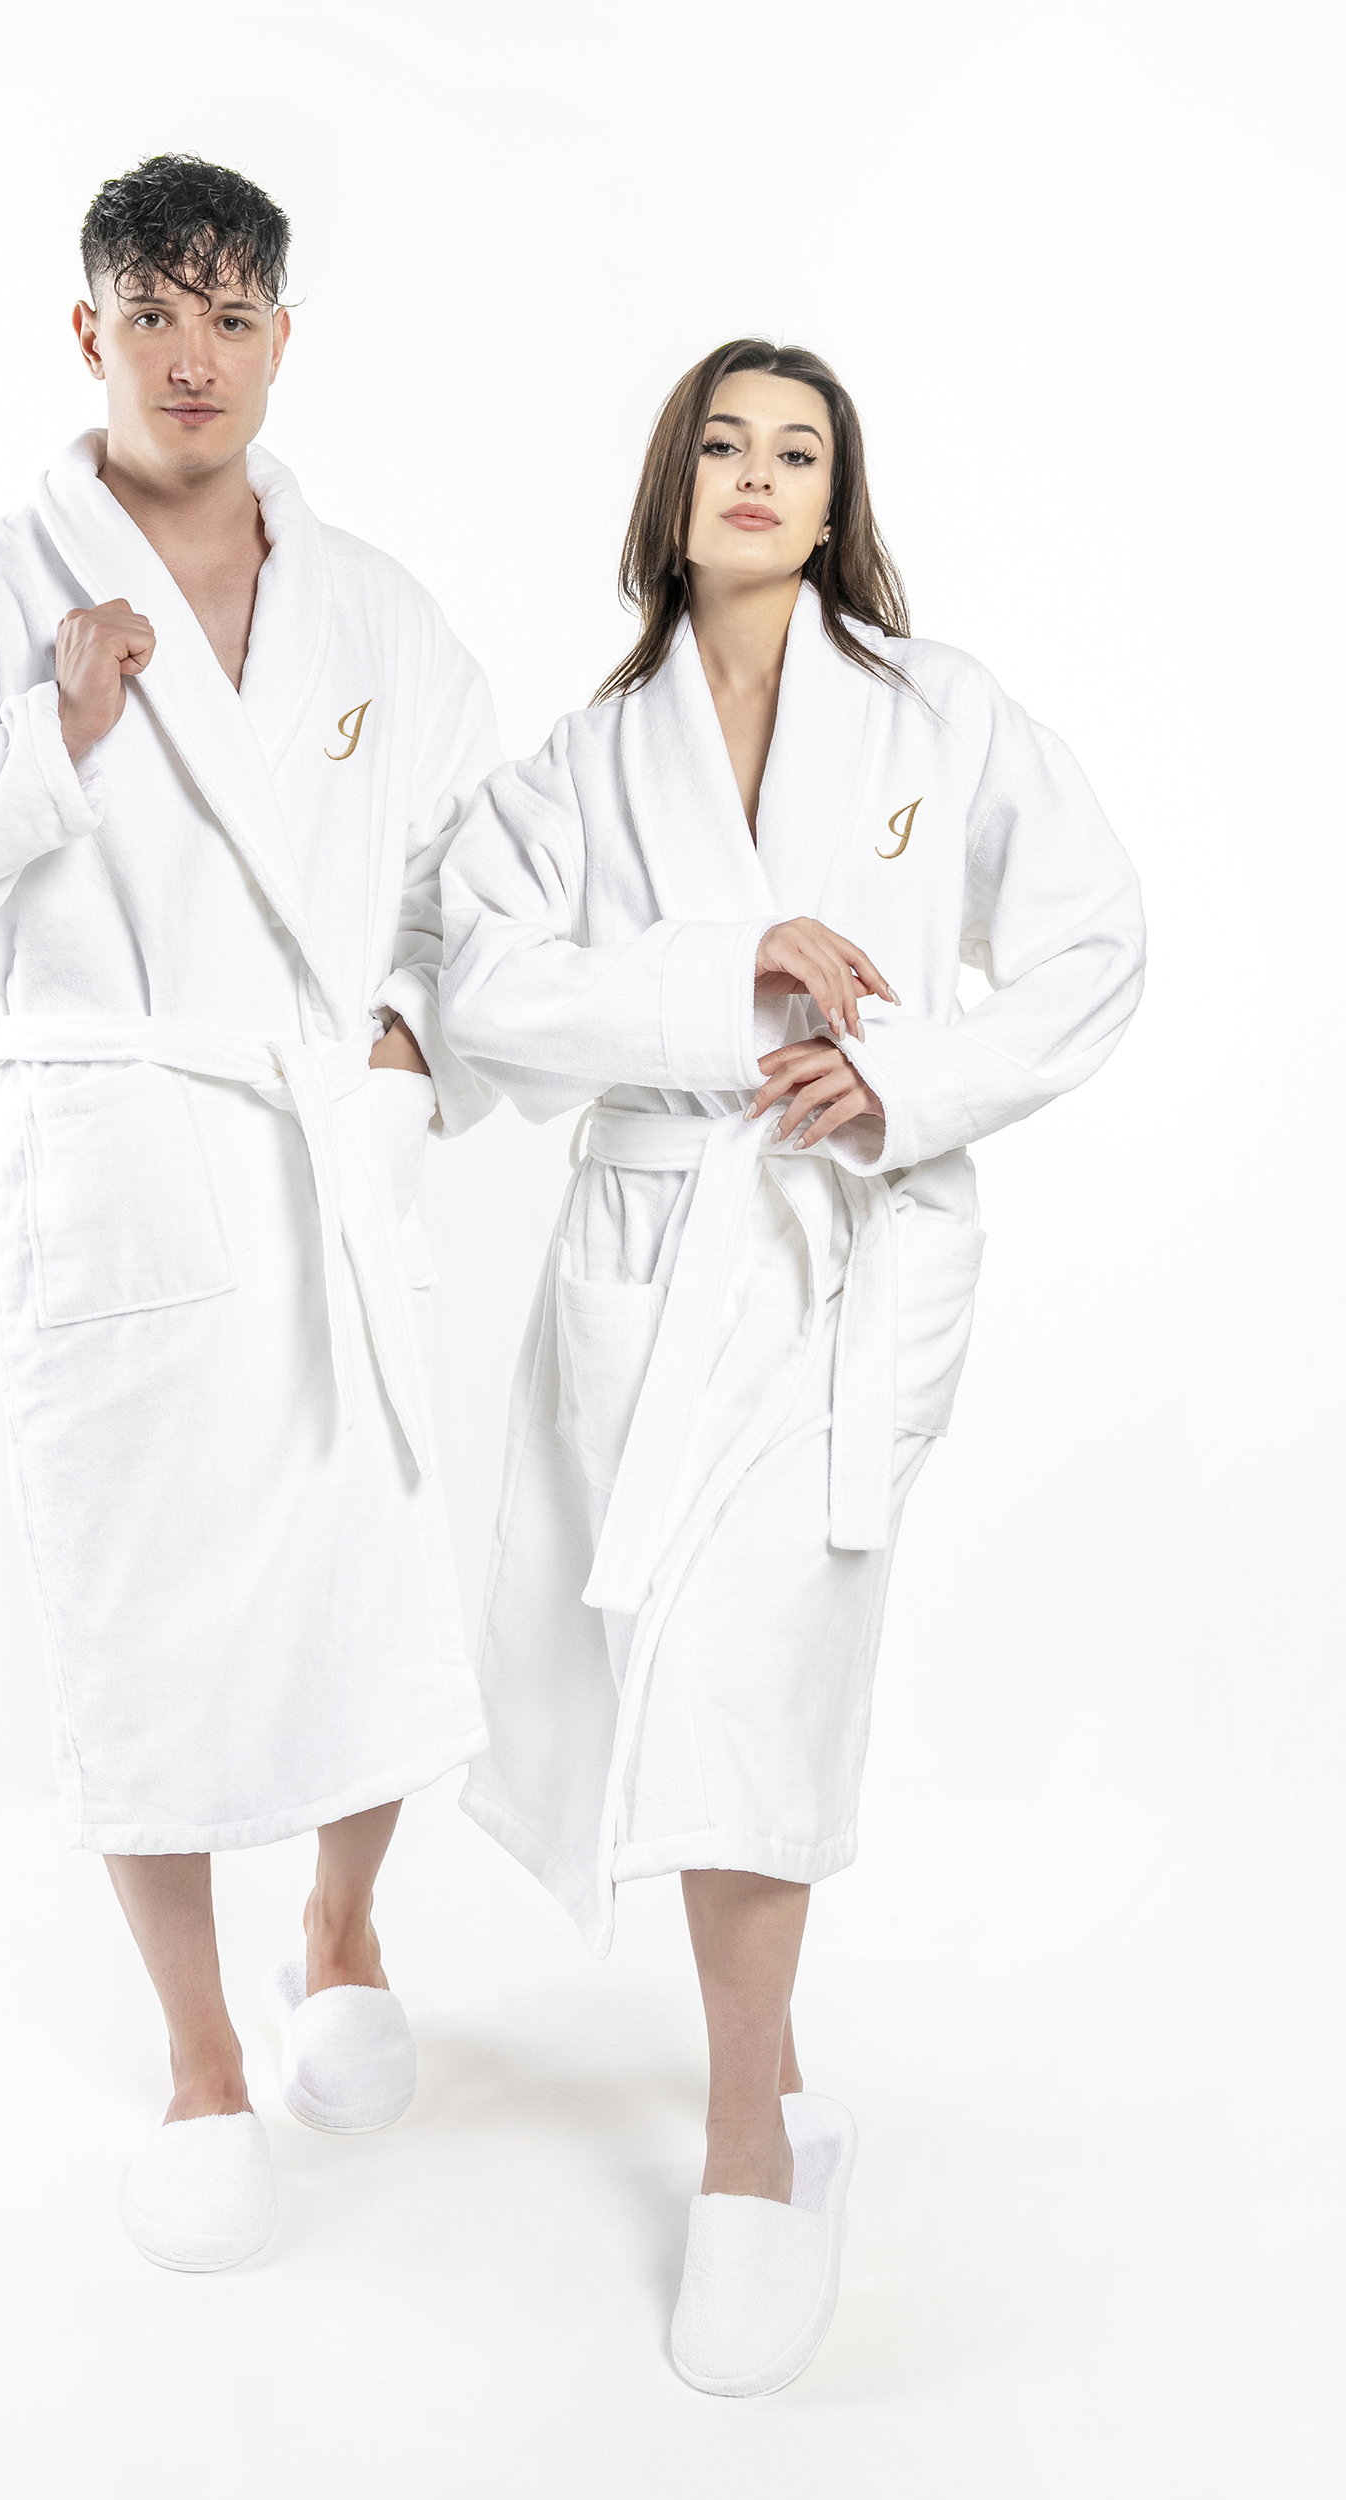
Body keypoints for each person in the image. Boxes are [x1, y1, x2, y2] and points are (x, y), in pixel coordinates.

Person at [0, 154, 500, 2273]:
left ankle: (341, 1930)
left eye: (233, 316)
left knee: (373, 1577)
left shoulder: (377, 608)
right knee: (143, 1615)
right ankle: (198, 2061)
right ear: (88, 332)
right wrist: (44, 740)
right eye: (155, 315)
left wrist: (411, 1043)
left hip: (321, 1151)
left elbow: (476, 864)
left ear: (282, 339)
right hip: (124, 1159)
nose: (194, 356)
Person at [437, 339, 1144, 2393]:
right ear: (675, 491)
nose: (760, 474)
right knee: (679, 1697)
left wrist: (908, 1080)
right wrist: (718, 978)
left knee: (753, 1687)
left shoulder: (944, 716)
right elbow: (485, 983)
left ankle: (748, 2145)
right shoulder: (585, 763)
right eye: (726, 445)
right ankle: (784, 2083)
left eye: (800, 451)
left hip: (833, 1266)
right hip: (652, 1261)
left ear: (837, 507)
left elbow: (1096, 945)